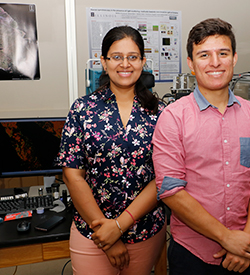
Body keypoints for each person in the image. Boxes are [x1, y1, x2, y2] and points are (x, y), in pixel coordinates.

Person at [152, 18, 250, 274]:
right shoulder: (173, 117)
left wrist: (246, 242)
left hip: (247, 250)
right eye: (204, 55)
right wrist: (225, 237)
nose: (215, 62)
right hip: (192, 256)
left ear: (234, 58)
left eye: (223, 53)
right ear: (191, 64)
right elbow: (171, 190)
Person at [56, 26, 166, 275]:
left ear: (143, 62)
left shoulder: (162, 113)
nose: (124, 64)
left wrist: (120, 225)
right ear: (104, 63)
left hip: (144, 229)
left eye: (133, 57)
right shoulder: (82, 110)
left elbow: (164, 176)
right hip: (93, 232)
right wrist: (107, 233)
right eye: (116, 57)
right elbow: (73, 176)